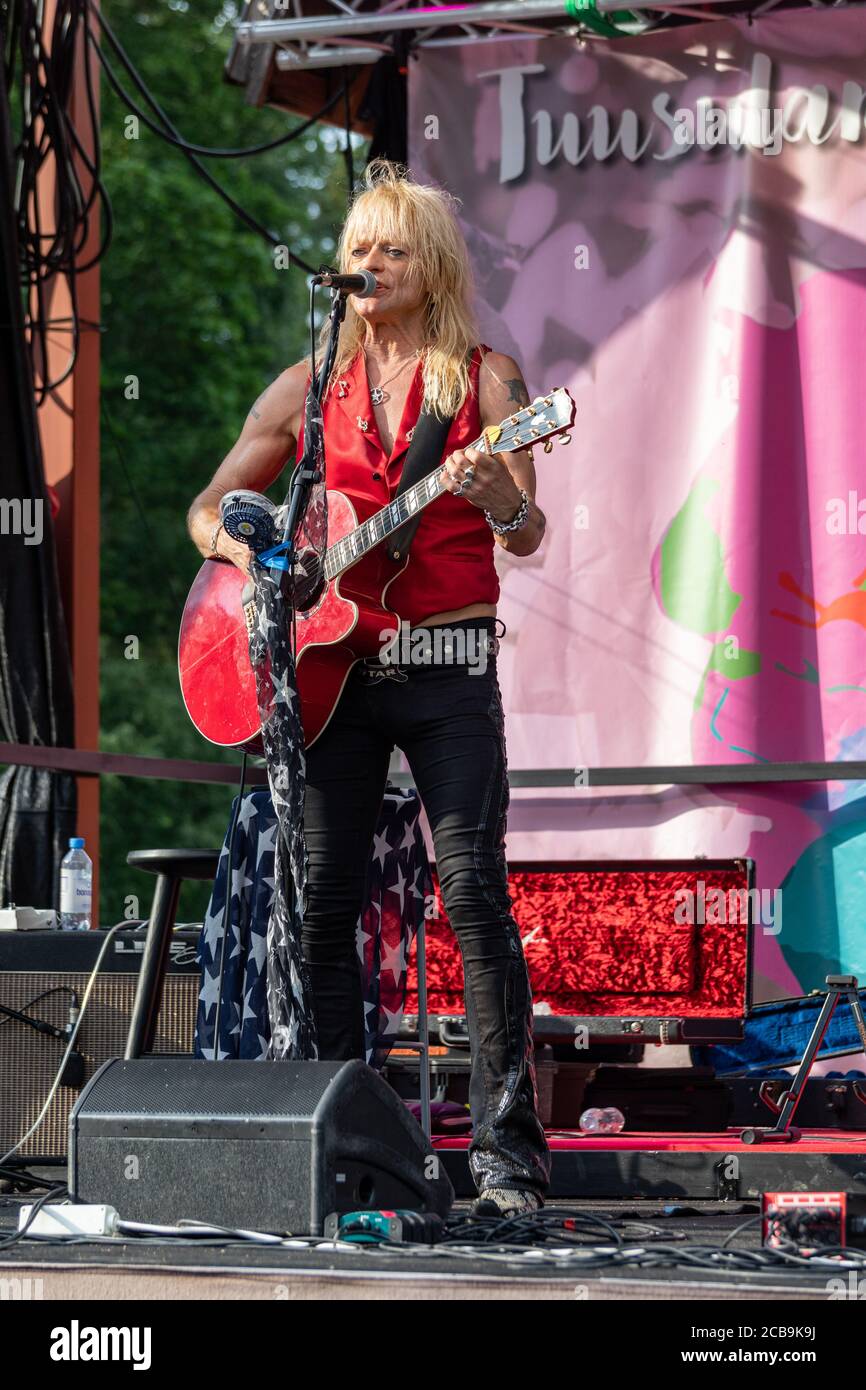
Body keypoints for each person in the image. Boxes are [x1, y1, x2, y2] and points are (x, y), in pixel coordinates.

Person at [187, 160, 551, 1215]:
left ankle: (504, 1157)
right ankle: (347, 1138)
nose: (369, 265)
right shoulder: (309, 387)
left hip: (444, 666)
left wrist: (495, 496)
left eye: (391, 248)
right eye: (355, 249)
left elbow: (527, 534)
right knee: (320, 911)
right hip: (331, 670)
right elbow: (211, 507)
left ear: (429, 264)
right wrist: (253, 559)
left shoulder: (485, 381)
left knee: (473, 894)